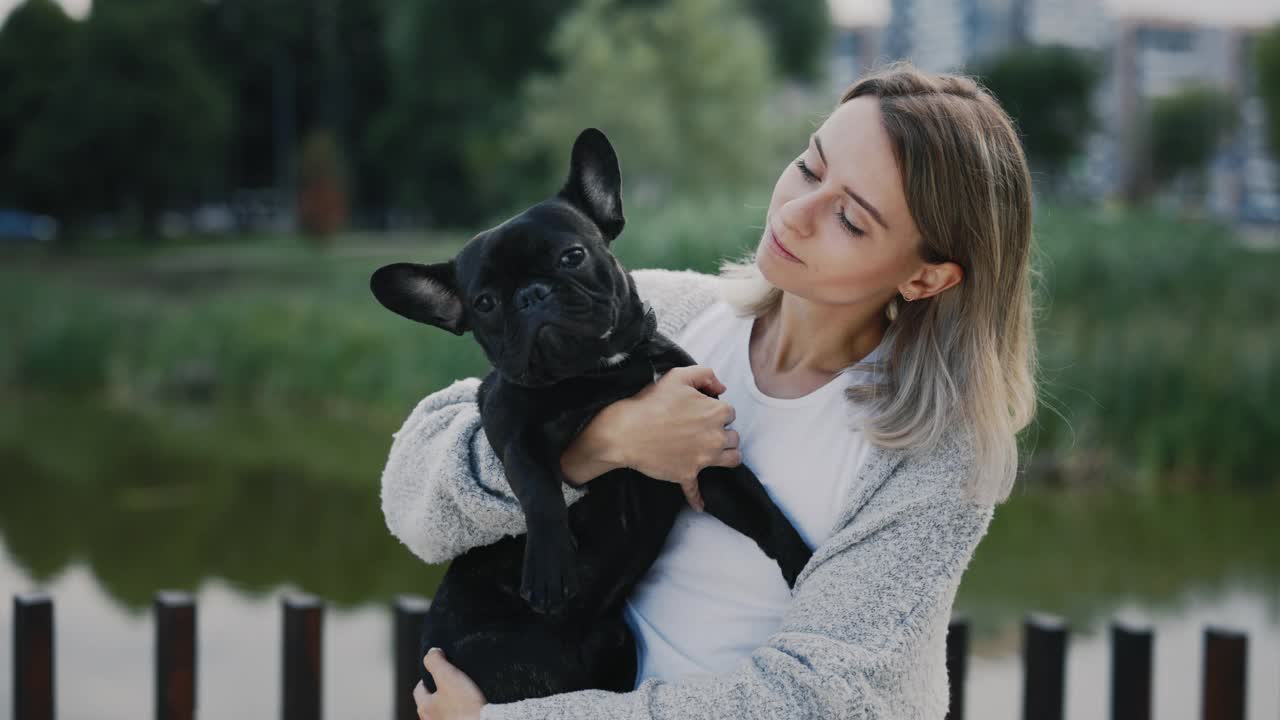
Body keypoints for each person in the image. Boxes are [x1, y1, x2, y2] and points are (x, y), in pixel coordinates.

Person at [380, 60, 1037, 720]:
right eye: (810, 166)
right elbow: (413, 496)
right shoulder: (668, 314)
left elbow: (817, 697)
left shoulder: (933, 451)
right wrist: (601, 442)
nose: (796, 212)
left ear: (926, 279)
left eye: (851, 218)